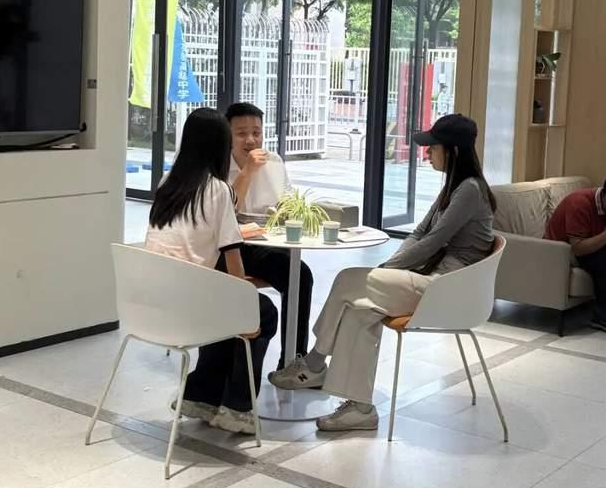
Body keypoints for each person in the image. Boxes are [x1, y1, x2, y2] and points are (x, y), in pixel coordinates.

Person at [270, 114, 496, 433]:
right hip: (435, 281)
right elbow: (419, 232)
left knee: (349, 279)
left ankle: (314, 364)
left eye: (433, 147)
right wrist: (391, 267)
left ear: (454, 151)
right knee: (359, 311)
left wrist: (387, 270)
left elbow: (433, 241)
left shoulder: (469, 189)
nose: (427, 153)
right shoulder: (455, 186)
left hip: (447, 289)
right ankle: (360, 408)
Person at [144, 107, 278, 435]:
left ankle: (200, 395)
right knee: (260, 312)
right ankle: (238, 408)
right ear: (221, 146)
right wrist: (245, 301)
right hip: (188, 308)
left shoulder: (166, 182)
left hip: (149, 303)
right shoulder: (217, 190)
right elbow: (233, 262)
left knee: (229, 306)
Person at [225, 102, 314, 369]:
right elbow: (226, 210)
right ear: (228, 135)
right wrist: (247, 171)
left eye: (256, 132)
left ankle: (293, 359)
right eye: (241, 133)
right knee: (297, 273)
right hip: (234, 246)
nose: (251, 140)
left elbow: (289, 202)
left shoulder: (274, 162)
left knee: (299, 276)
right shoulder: (220, 165)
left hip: (270, 242)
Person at [545, 180, 606, 332]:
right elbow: (578, 247)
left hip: (591, 246)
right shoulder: (579, 203)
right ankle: (601, 317)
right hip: (562, 252)